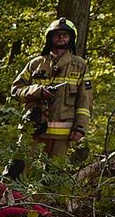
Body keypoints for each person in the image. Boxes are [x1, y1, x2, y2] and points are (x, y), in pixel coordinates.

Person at [12, 18, 93, 165]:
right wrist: (37, 91)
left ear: (71, 38)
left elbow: (85, 100)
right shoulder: (35, 64)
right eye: (57, 34)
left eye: (65, 35)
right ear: (50, 37)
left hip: (62, 136)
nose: (61, 37)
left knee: (55, 174)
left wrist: (80, 127)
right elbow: (15, 90)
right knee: (18, 169)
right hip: (33, 129)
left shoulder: (80, 66)